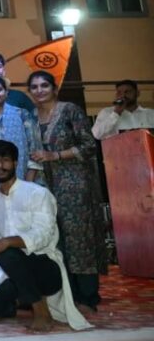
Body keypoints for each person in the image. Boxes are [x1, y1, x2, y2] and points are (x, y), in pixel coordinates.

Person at [0, 140, 91, 331]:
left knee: (7, 252)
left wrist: (8, 241)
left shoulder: (38, 193)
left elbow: (43, 234)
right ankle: (18, 302)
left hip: (46, 269)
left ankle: (41, 311)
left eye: (5, 160)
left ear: (15, 162)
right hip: (12, 272)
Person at [28, 70, 104, 311]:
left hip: (75, 185)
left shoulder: (70, 110)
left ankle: (88, 296)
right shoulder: (31, 117)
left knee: (79, 239)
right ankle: (68, 295)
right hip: (45, 186)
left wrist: (56, 155)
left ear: (54, 88)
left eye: (44, 85)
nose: (39, 90)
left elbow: (89, 146)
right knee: (56, 240)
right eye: (34, 87)